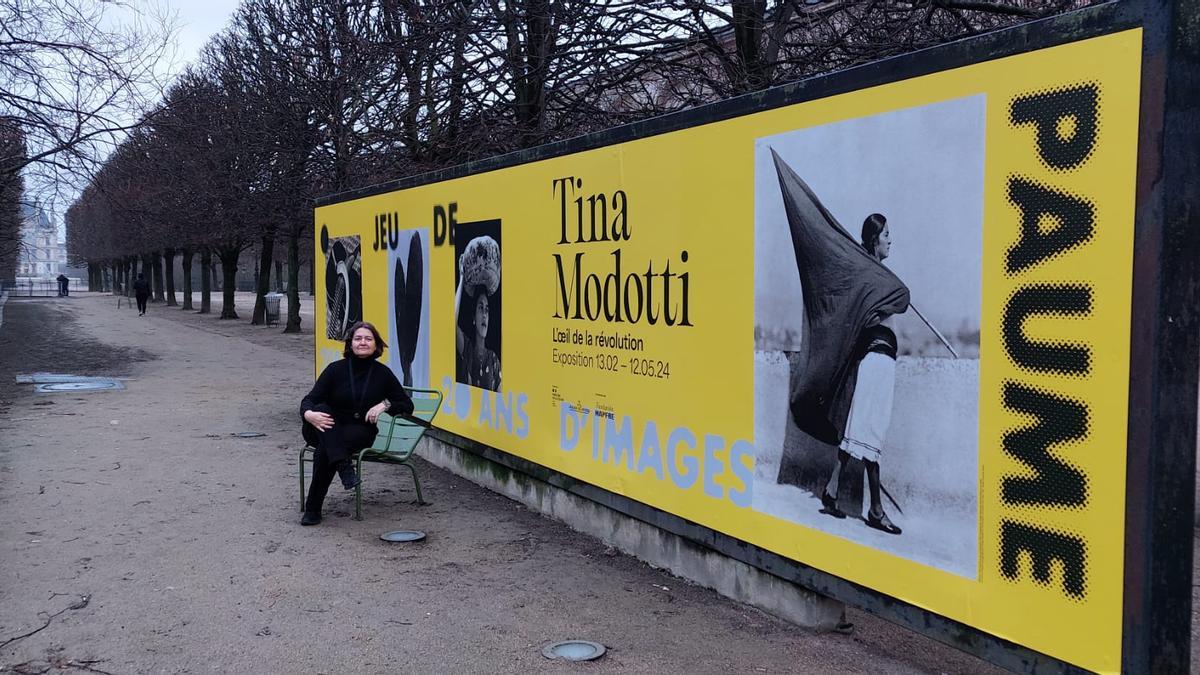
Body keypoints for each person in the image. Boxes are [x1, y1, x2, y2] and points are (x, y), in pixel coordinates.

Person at [820, 214, 902, 535]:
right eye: (886, 234)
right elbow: (901, 299)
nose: (890, 240)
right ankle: (876, 510)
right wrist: (891, 288)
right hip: (877, 361)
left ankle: (832, 489)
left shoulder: (874, 276)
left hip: (879, 361)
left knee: (861, 431)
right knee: (870, 432)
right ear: (874, 240)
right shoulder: (873, 278)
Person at [299, 321, 413, 526]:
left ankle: (313, 509)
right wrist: (308, 414)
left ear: (376, 345)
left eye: (368, 339)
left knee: (327, 448)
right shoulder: (335, 370)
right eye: (358, 338)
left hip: (358, 431)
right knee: (323, 411)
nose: (363, 342)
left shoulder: (383, 374)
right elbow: (310, 399)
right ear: (350, 343)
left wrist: (384, 405)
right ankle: (344, 467)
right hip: (320, 426)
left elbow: (406, 404)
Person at [454, 236, 501, 391]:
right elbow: (451, 323)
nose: (485, 314)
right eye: (481, 308)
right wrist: (462, 278)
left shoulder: (493, 360)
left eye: (487, 309)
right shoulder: (466, 349)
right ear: (474, 318)